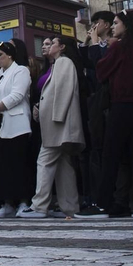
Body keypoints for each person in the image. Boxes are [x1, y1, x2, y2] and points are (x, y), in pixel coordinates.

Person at [94, 11, 133, 218]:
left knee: (111, 155)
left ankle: (104, 202)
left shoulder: (118, 47)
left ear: (126, 25)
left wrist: (101, 45)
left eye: (116, 23)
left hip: (122, 105)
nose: (113, 27)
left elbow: (101, 71)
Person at [0, 25, 35, 218]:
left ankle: (23, 201)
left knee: (18, 165)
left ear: (10, 55)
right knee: (1, 167)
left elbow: (17, 95)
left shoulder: (21, 72)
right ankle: (7, 202)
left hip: (16, 125)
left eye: (0, 54)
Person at [29, 37, 84, 219]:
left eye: (52, 43)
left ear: (61, 47)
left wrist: (57, 117)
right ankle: (70, 206)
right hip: (54, 121)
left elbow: (63, 90)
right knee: (63, 166)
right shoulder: (55, 65)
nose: (48, 46)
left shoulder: (63, 62)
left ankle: (39, 206)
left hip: (57, 123)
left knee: (44, 161)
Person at [79, 10, 115, 216]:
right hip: (94, 102)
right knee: (94, 152)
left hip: (108, 101)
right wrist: (86, 42)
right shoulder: (93, 44)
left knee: (104, 152)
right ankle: (93, 197)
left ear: (107, 25)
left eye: (97, 22)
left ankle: (105, 199)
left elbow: (100, 66)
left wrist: (95, 43)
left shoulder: (110, 44)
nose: (94, 26)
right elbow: (85, 62)